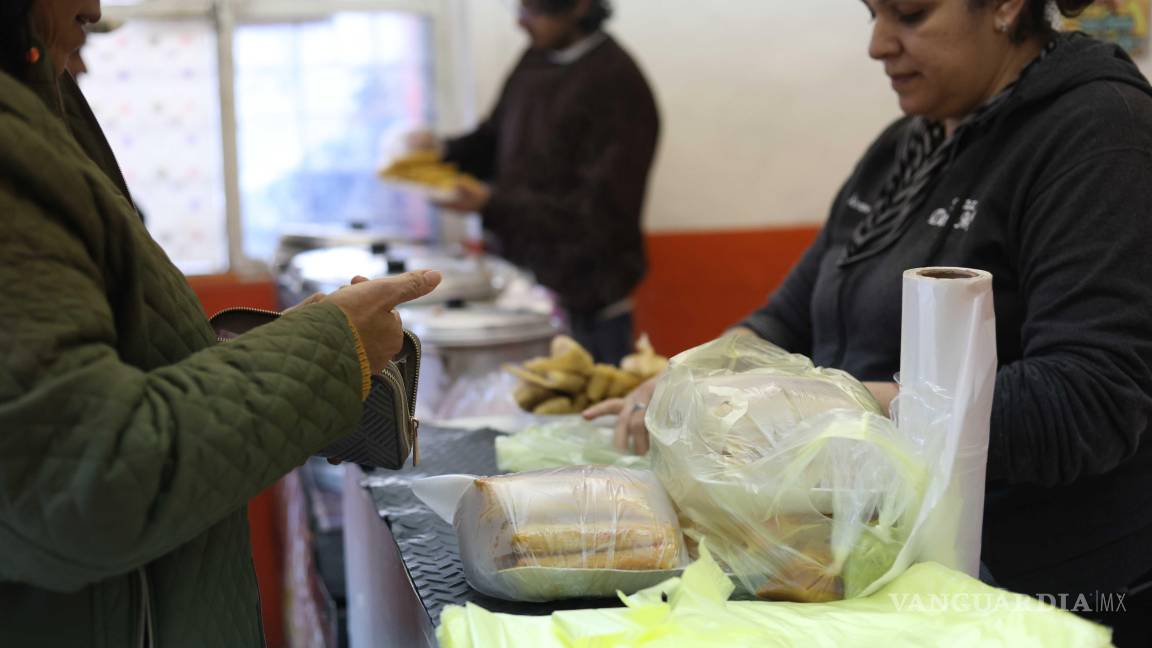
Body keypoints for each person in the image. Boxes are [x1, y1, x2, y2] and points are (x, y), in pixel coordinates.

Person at [588, 0, 1152, 644]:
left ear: (1005, 7)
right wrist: (698, 379)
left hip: (1032, 594)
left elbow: (1088, 400)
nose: (878, 44)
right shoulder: (907, 145)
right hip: (875, 575)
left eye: (909, 14)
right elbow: (791, 314)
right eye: (872, 13)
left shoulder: (1101, 132)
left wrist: (824, 410)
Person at [0, 2, 441, 646]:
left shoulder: (41, 111)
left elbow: (116, 373)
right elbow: (87, 478)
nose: (94, 8)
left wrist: (290, 344)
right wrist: (330, 347)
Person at [413, 0, 660, 365]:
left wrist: (491, 202)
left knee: (585, 414)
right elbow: (493, 139)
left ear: (580, 6)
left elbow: (597, 212)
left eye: (534, 11)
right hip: (521, 282)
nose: (521, 22)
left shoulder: (617, 83)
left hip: (587, 299)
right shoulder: (535, 58)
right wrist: (440, 150)